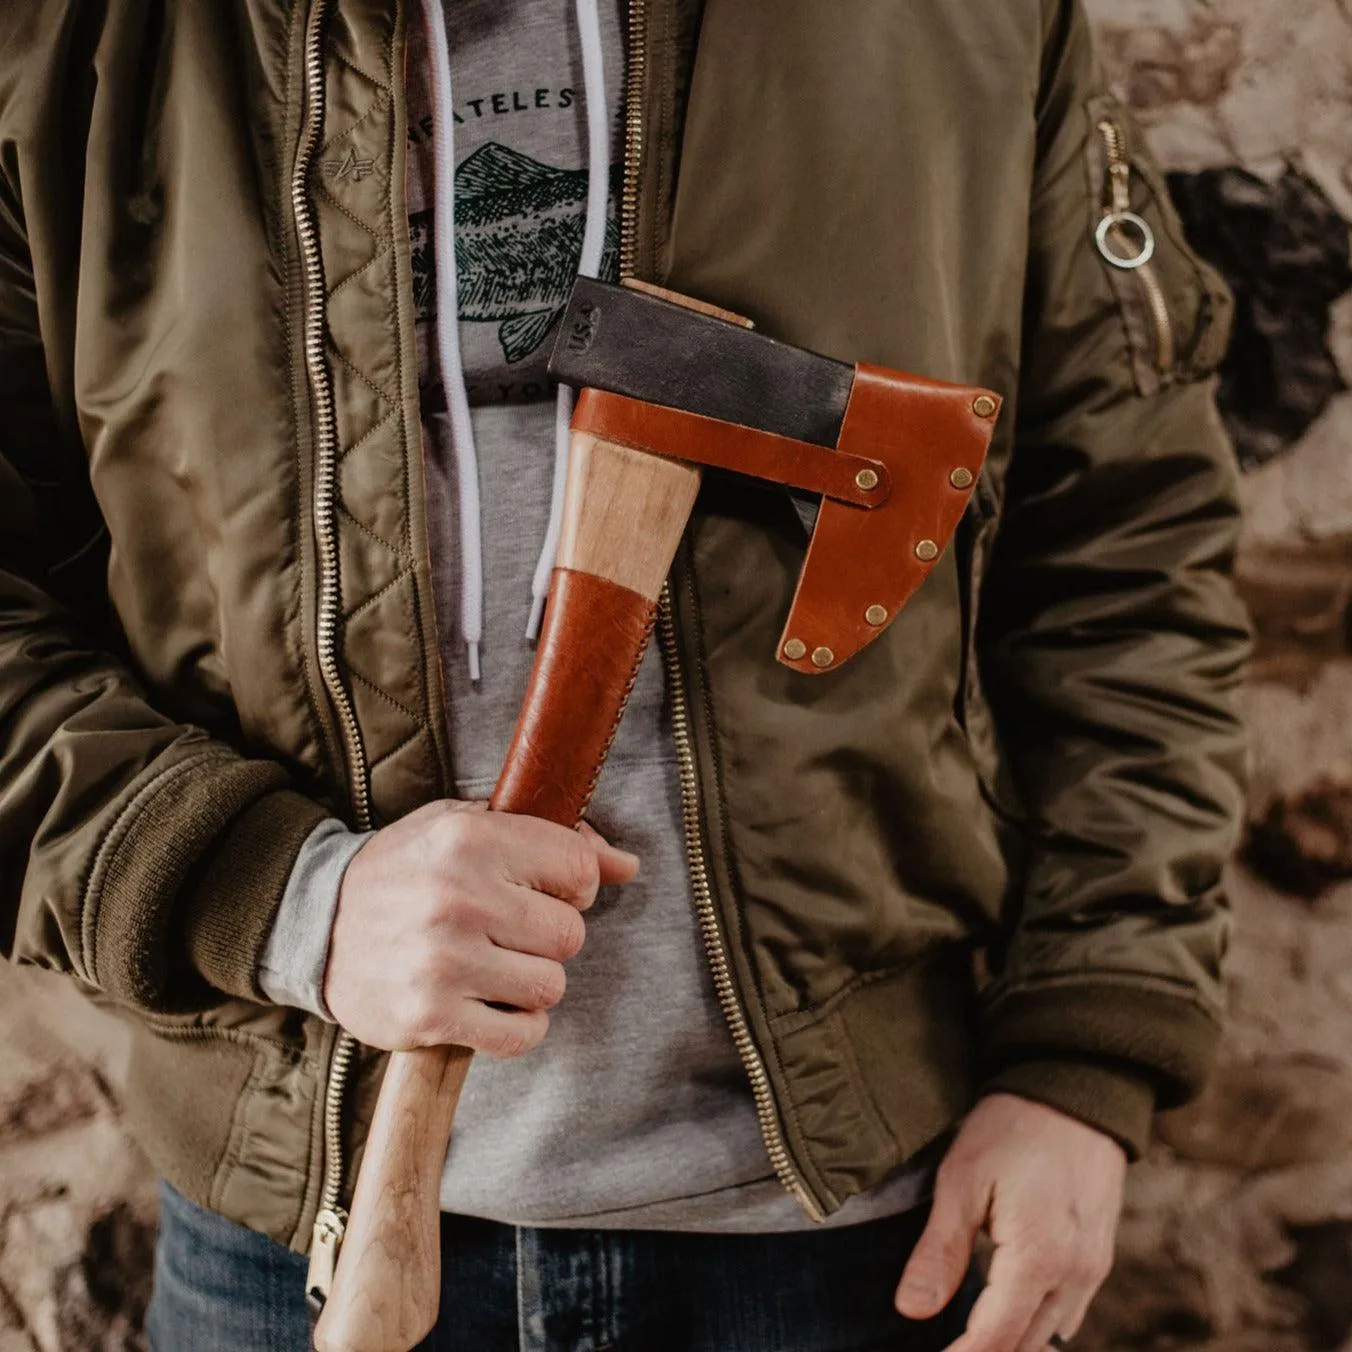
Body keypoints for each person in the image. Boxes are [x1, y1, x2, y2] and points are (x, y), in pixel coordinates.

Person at [0, 0, 1249, 1348]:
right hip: (294, 1218)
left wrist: (1084, 1057)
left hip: (850, 1229)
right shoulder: (69, 40)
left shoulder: (960, 24)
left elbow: (1127, 556)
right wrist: (285, 897)